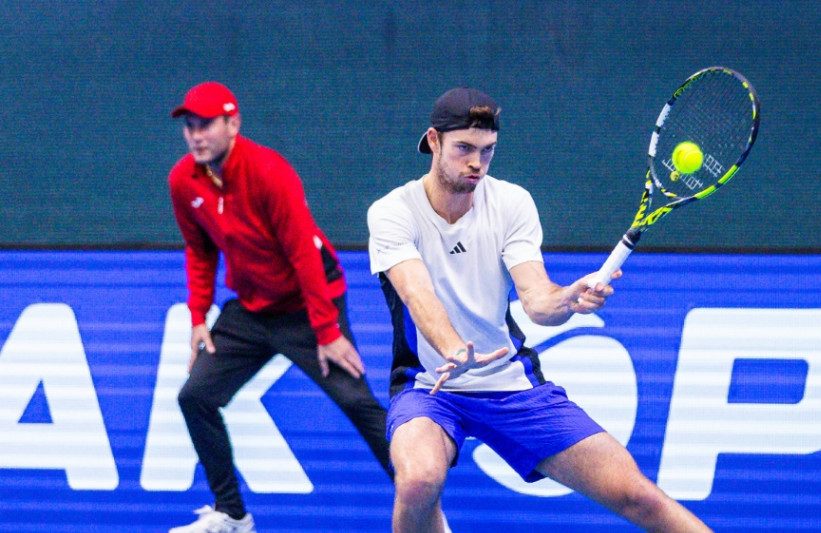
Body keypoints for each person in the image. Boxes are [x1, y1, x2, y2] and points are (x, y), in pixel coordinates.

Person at [367, 87, 713, 533]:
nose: (476, 162)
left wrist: (569, 297)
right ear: (433, 142)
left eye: (487, 151)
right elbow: (417, 295)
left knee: (636, 494)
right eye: (464, 149)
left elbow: (538, 301)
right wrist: (454, 349)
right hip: (430, 386)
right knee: (418, 480)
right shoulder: (393, 212)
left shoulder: (511, 203)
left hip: (511, 384)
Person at [167, 81, 391, 533]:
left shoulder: (269, 171)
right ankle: (231, 514)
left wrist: (326, 331)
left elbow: (302, 254)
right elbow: (200, 250)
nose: (196, 135)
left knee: (358, 403)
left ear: (233, 123)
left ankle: (423, 500)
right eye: (190, 126)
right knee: (195, 397)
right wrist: (198, 317)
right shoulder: (183, 180)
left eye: (206, 124)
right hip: (251, 310)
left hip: (309, 305)